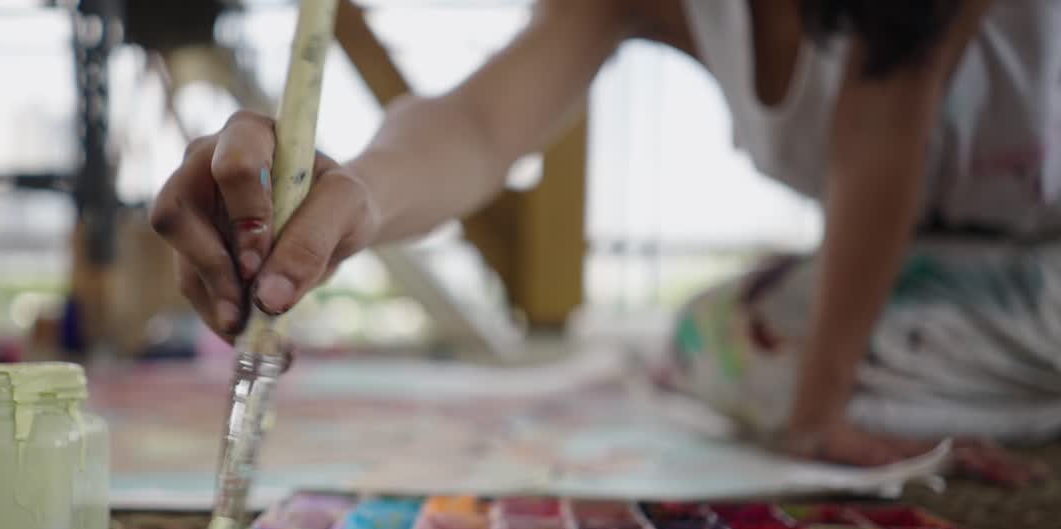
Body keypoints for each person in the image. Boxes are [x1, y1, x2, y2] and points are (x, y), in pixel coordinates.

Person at [151, 0, 1060, 485]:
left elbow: (882, 123)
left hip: (1038, 254)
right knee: (715, 340)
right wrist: (356, 195)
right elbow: (474, 125)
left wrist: (821, 413)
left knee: (789, 378)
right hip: (945, 269)